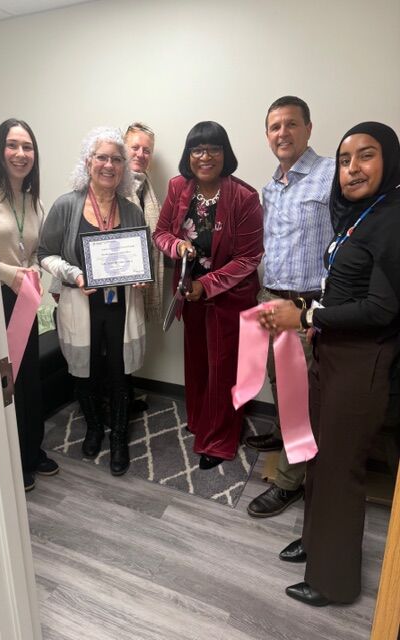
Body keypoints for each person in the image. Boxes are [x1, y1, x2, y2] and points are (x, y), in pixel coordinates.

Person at [259, 122, 400, 605]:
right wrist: (315, 312)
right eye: (344, 160)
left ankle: (333, 582)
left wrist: (306, 315)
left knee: (340, 469)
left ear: (390, 160)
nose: (353, 168)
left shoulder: (393, 220)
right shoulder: (363, 215)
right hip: (333, 352)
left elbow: (381, 309)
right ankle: (316, 542)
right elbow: (346, 287)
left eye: (366, 156)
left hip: (361, 362)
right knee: (318, 458)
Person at [153, 121, 263, 469]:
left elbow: (249, 258)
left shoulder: (244, 197)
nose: (205, 156)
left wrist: (208, 284)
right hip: (190, 294)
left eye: (214, 149)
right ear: (189, 155)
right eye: (197, 149)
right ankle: (201, 422)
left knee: (224, 370)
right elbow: (161, 233)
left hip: (229, 298)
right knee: (198, 363)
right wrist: (177, 246)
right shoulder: (178, 187)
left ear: (225, 153)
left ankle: (218, 441)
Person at [38, 127, 147, 476]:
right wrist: (74, 274)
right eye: (102, 157)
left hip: (119, 306)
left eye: (116, 159)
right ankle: (95, 427)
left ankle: (119, 437)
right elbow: (45, 254)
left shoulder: (131, 210)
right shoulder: (66, 205)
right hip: (79, 302)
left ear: (123, 167)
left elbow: (140, 255)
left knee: (119, 370)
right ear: (88, 162)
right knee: (84, 370)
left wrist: (141, 275)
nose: (109, 165)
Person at [245, 96, 334, 517]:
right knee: (279, 383)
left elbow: (344, 246)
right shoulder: (270, 188)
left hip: (305, 306)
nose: (282, 133)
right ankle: (282, 435)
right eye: (274, 127)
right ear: (267, 135)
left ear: (308, 128)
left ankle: (288, 482)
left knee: (300, 397)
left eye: (291, 124)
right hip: (270, 299)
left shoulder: (330, 176)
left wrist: (324, 308)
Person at [0, 118, 59, 492]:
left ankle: (32, 451)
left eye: (27, 147)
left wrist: (31, 270)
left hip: (25, 298)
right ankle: (11, 459)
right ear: (0, 150)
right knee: (5, 382)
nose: (20, 154)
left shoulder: (34, 201)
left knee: (28, 375)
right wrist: (10, 273)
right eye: (13, 145)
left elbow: (33, 250)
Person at [123, 122, 164, 412]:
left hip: (138, 282)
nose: (140, 154)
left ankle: (124, 397)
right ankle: (113, 406)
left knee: (129, 342)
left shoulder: (146, 188)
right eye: (134, 147)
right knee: (113, 345)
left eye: (146, 150)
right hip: (112, 283)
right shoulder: (111, 182)